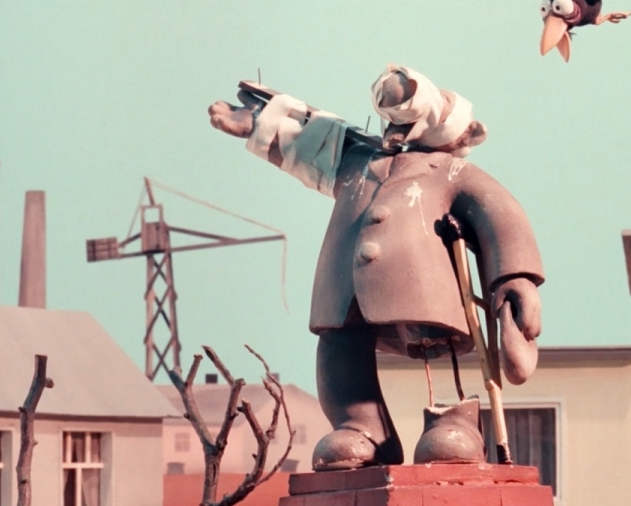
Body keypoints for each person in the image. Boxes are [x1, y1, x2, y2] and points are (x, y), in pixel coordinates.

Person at [208, 66, 544, 470]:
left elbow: (501, 215)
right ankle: (362, 428)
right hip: (342, 290)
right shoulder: (356, 161)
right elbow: (313, 139)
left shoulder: (452, 173)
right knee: (340, 350)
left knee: (437, 350)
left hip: (422, 287)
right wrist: (259, 123)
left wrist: (514, 277)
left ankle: (456, 423)